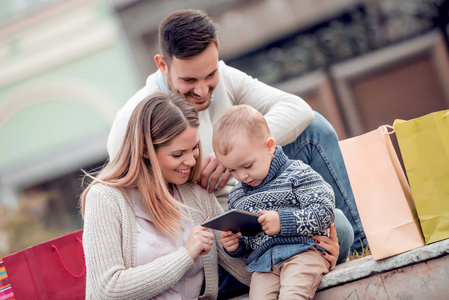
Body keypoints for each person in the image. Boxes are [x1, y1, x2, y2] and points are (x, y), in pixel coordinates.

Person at [108, 8, 363, 273]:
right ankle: (309, 250)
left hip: (267, 199)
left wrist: (226, 157)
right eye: (189, 80)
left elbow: (298, 109)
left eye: (209, 75)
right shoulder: (134, 120)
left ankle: (359, 247)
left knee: (315, 129)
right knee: (338, 225)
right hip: (221, 232)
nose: (202, 89)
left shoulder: (224, 76)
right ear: (162, 65)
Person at [80, 91, 251, 299]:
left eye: (194, 148)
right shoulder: (105, 199)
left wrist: (242, 245)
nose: (190, 161)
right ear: (145, 150)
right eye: (178, 154)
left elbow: (245, 271)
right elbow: (107, 289)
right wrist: (186, 254)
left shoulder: (196, 194)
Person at [213, 105, 334, 299]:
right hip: (264, 266)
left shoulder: (297, 173)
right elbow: (249, 240)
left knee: (292, 295)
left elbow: (324, 211)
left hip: (303, 252)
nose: (242, 176)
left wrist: (283, 221)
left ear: (269, 146)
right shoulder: (237, 196)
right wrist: (236, 245)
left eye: (247, 165)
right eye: (232, 170)